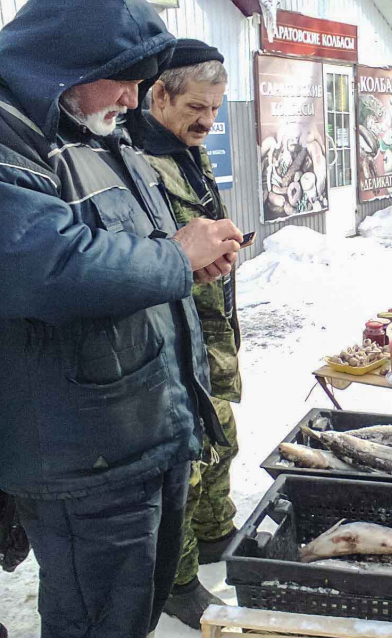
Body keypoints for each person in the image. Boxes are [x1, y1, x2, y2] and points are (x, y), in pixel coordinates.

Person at [0, 1, 245, 637]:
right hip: (84, 455)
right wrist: (174, 256)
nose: (135, 99)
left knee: (131, 610)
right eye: (125, 78)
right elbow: (44, 265)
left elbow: (137, 253)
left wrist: (188, 263)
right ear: (66, 65)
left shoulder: (95, 131)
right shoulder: (12, 135)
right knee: (97, 621)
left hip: (142, 434)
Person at [134, 40, 242, 629]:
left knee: (223, 436)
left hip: (214, 325)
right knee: (188, 459)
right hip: (176, 340)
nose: (207, 121)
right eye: (197, 108)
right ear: (159, 95)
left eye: (216, 110)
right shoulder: (135, 160)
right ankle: (176, 580)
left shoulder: (183, 152)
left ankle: (216, 530)